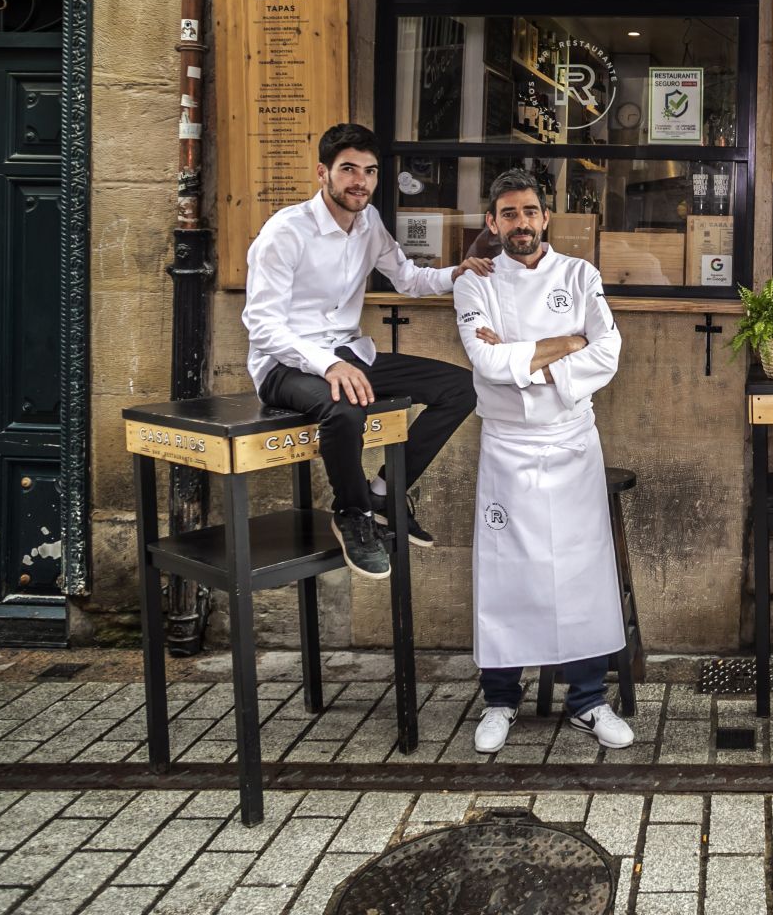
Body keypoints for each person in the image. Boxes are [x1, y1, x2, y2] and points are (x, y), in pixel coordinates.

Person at [243, 122, 488, 580]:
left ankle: (383, 494)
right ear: (323, 172)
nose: (361, 181)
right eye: (349, 169)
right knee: (344, 409)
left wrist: (457, 273)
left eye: (370, 171)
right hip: (284, 366)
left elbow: (408, 278)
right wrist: (327, 365)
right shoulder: (285, 233)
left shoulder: (369, 222)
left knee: (462, 387)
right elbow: (262, 326)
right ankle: (352, 514)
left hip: (351, 355)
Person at [454, 168, 632, 755]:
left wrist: (523, 361)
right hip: (506, 444)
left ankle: (588, 700)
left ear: (545, 216)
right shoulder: (474, 282)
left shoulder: (580, 275)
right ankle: (500, 700)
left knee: (581, 569)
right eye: (508, 213)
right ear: (492, 222)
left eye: (529, 211)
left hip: (571, 439)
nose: (521, 223)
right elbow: (486, 362)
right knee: (505, 571)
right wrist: (567, 344)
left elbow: (608, 351)